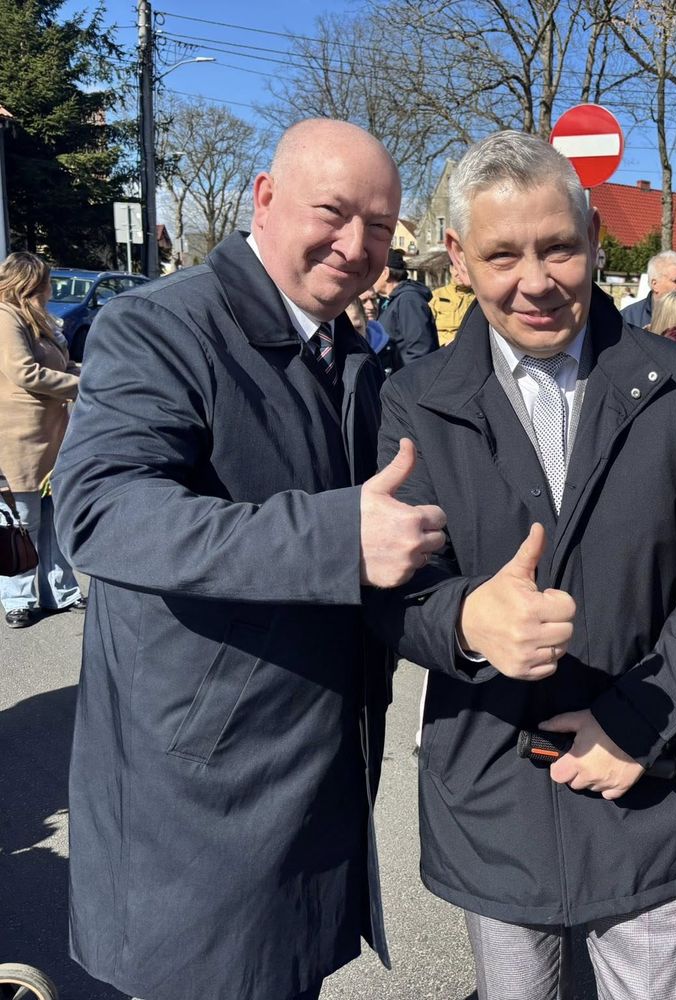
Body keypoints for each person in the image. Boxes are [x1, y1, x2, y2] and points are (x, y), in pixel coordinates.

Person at [365, 130, 676, 1000]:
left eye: (557, 247)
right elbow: (390, 590)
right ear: (458, 257)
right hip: (495, 792)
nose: (536, 281)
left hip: (650, 780)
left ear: (591, 236)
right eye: (502, 255)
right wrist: (466, 621)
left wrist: (638, 719)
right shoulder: (415, 401)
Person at [53, 119, 446, 1000]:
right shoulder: (161, 324)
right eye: (332, 213)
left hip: (306, 772)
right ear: (264, 199)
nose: (356, 246)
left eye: (379, 227)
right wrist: (334, 540)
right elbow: (101, 510)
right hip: (201, 799)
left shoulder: (348, 350)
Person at [0, 251, 83, 628]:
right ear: (33, 282)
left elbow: (60, 365)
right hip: (19, 438)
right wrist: (81, 386)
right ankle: (18, 598)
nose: (53, 288)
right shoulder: (6, 317)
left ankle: (60, 591)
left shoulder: (39, 319)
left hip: (51, 434)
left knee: (55, 518)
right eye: (49, 281)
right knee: (23, 522)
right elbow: (25, 372)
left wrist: (92, 373)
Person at [375, 247, 437, 369]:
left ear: (385, 273)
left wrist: (401, 378)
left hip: (409, 377)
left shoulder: (409, 300)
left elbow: (420, 350)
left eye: (373, 271)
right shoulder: (388, 301)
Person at [430, 270, 475, 347]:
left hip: (469, 346)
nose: (459, 273)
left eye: (463, 268)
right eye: (456, 268)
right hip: (441, 347)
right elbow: (425, 329)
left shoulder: (479, 298)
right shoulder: (436, 296)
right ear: (451, 269)